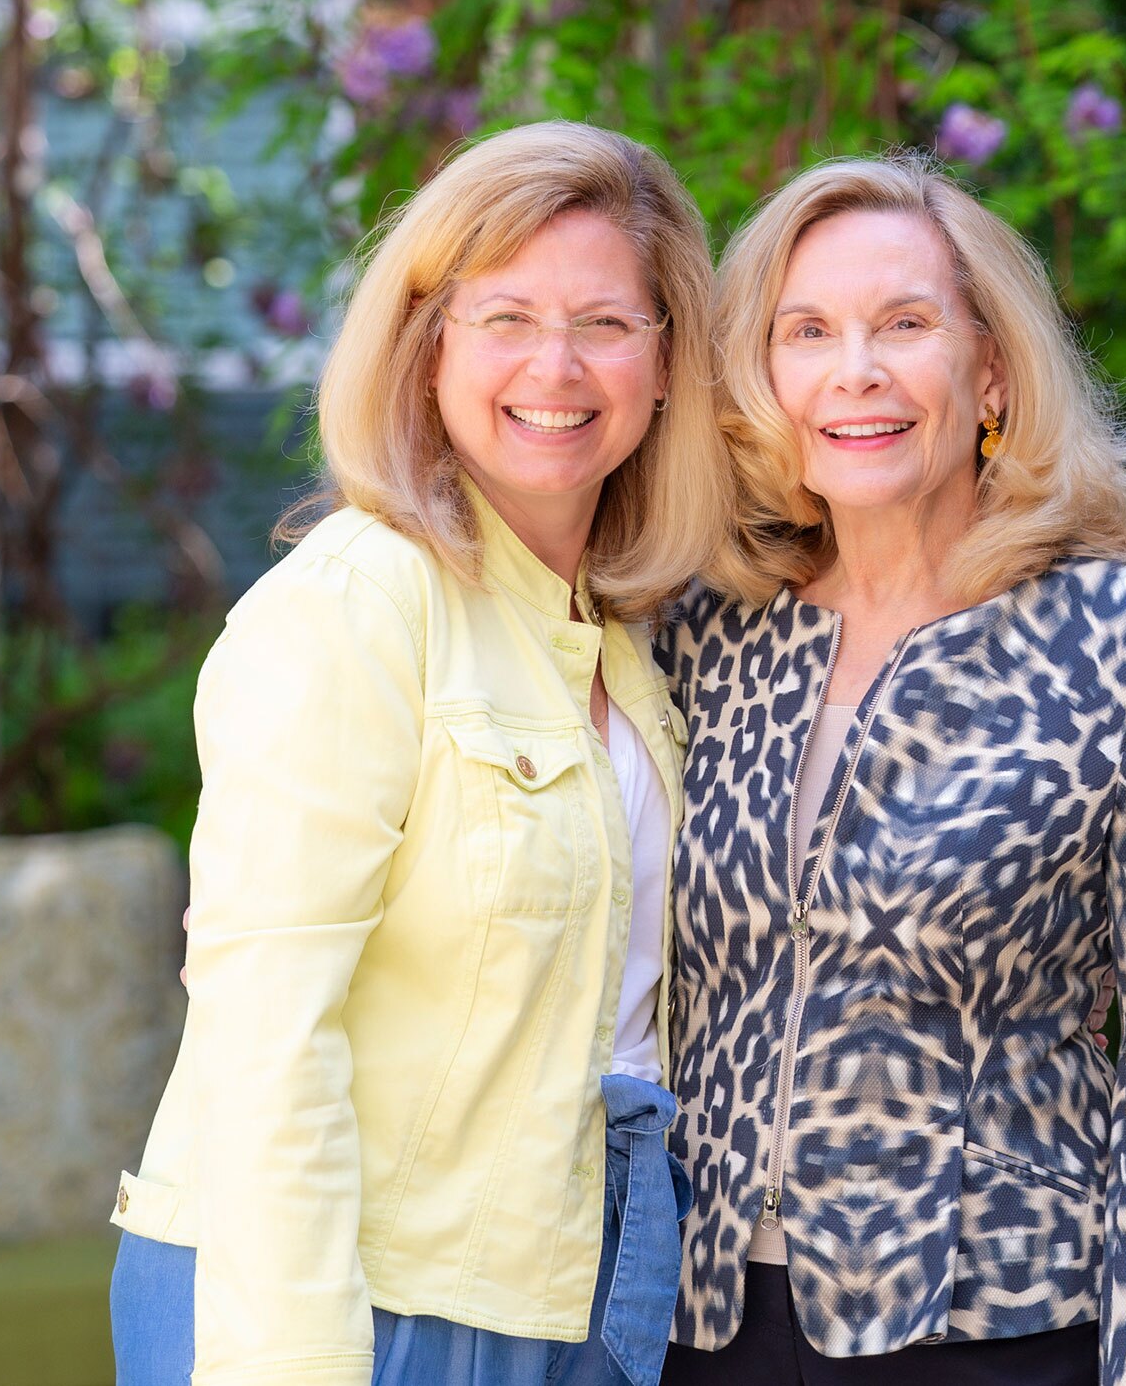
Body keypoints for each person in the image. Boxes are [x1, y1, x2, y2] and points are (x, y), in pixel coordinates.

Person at [107, 121, 729, 1386]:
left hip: (572, 1295)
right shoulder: (355, 606)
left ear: (667, 365)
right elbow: (264, 1037)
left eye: (608, 323)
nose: (555, 366)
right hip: (339, 1300)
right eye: (504, 315)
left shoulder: (623, 637)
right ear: (428, 343)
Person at [660, 154, 1126, 1385]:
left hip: (992, 1328)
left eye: (905, 325)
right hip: (693, 1328)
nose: (855, 370)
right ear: (760, 378)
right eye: (806, 331)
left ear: (991, 369)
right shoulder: (698, 635)